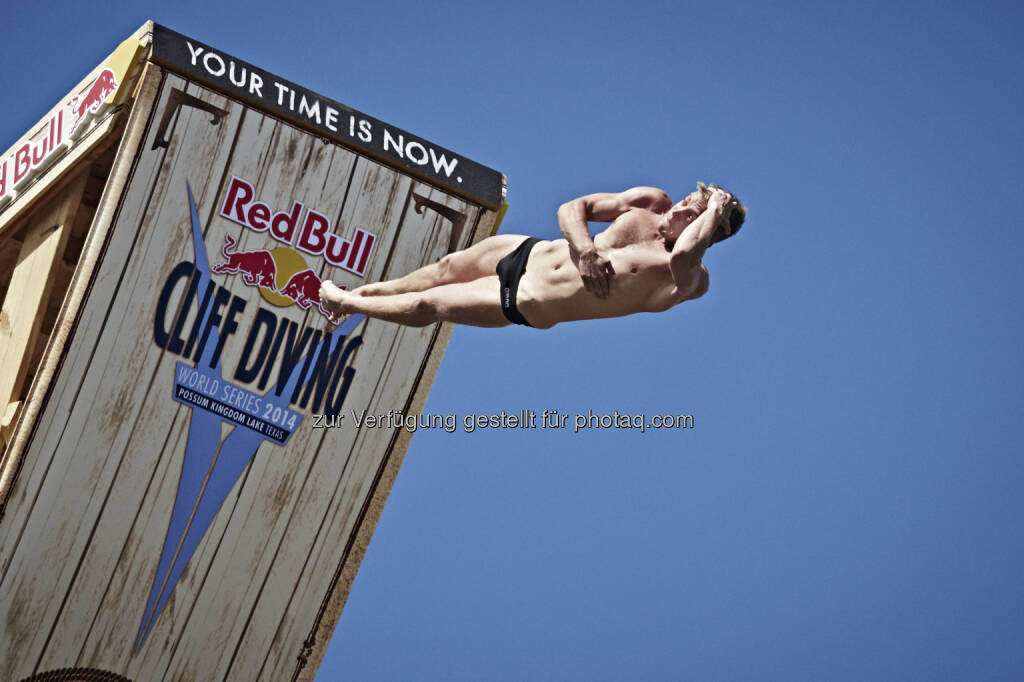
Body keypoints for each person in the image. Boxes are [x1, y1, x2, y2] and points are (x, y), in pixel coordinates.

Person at [318, 183, 746, 329]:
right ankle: (361, 293)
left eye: (692, 212)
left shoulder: (688, 278)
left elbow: (688, 251)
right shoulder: (650, 203)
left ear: (707, 231)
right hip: (527, 250)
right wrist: (585, 251)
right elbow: (570, 209)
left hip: (528, 300)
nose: (679, 210)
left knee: (430, 304)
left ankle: (345, 302)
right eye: (687, 200)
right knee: (441, 270)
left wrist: (713, 211)